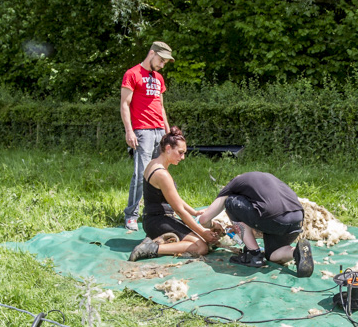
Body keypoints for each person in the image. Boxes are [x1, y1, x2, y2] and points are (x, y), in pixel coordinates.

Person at [196, 172, 314, 278]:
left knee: (230, 202)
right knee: (272, 255)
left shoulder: (233, 184)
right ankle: (297, 252)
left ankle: (254, 255)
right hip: (296, 220)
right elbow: (262, 209)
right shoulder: (265, 181)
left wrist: (213, 225)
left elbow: (204, 219)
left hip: (274, 218)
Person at [128, 128, 217, 261]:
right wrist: (202, 232)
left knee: (201, 239)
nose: (183, 157)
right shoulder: (162, 174)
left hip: (154, 219)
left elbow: (175, 198)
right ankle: (151, 248)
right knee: (201, 247)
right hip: (158, 222)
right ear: (168, 148)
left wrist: (194, 212)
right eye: (180, 153)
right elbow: (179, 210)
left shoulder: (154, 163)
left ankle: (160, 241)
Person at [121, 41, 174, 231]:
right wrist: (129, 131)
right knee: (140, 174)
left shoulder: (159, 78)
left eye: (165, 62)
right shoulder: (132, 74)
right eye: (161, 60)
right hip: (142, 131)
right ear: (151, 53)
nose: (162, 65)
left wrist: (167, 131)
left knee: (160, 173)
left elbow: (160, 106)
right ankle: (131, 215)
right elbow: (125, 104)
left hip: (160, 130)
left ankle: (158, 212)